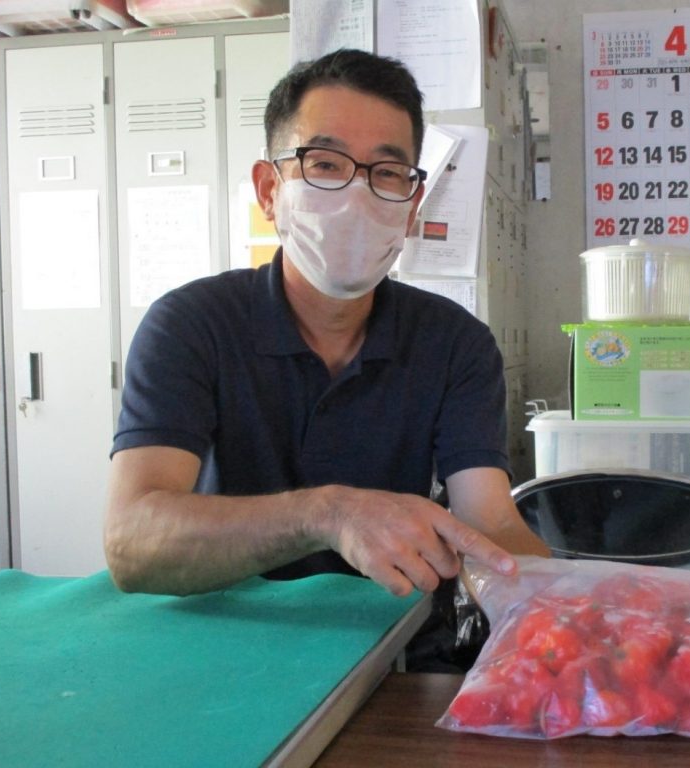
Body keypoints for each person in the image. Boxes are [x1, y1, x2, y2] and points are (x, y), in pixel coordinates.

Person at [103, 48, 549, 605]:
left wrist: (587, 606)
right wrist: (327, 514)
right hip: (229, 641)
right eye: (325, 164)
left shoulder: (455, 343)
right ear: (269, 189)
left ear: (411, 209)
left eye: (387, 173)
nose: (357, 195)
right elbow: (131, 545)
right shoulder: (191, 326)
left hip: (395, 652)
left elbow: (492, 525)